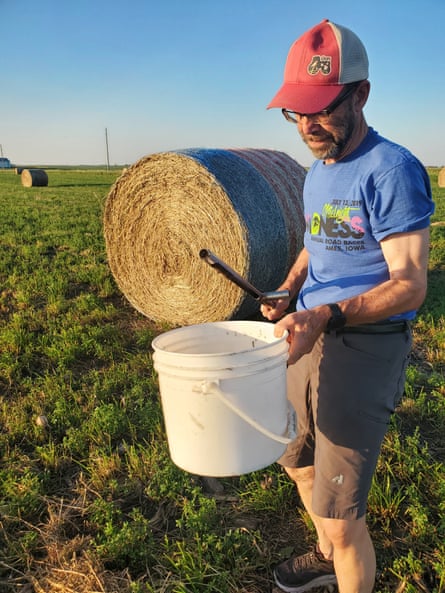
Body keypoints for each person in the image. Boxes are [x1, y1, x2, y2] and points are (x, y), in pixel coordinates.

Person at [261, 19, 434, 593]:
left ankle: (341, 552)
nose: (308, 126)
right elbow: (315, 244)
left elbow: (410, 285)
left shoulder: (393, 170)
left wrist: (326, 316)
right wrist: (290, 290)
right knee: (297, 459)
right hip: (307, 329)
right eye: (297, 111)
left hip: (364, 340)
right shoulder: (319, 169)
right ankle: (324, 554)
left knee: (341, 512)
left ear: (360, 94)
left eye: (322, 109)